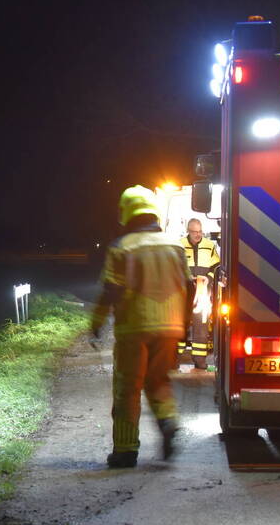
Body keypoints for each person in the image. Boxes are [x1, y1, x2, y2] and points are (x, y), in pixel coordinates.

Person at [90, 185, 193, 468]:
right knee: (159, 381)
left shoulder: (122, 247)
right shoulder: (174, 244)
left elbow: (111, 288)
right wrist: (183, 323)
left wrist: (97, 321)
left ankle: (125, 450)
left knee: (128, 387)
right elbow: (190, 285)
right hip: (170, 326)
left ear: (126, 213)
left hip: (134, 327)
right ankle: (168, 421)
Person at [180, 218, 220, 370]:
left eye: (199, 231)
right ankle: (175, 358)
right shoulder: (180, 245)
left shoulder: (209, 246)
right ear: (188, 231)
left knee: (201, 326)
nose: (198, 235)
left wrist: (207, 279)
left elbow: (216, 267)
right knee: (180, 324)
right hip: (184, 292)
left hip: (202, 294)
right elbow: (175, 267)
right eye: (194, 232)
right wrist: (188, 279)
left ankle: (200, 360)